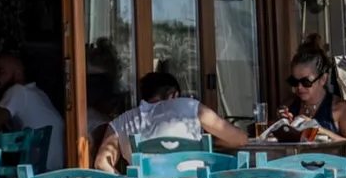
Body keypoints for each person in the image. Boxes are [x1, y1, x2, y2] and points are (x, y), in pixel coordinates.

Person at [94, 69, 251, 170]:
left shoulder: (122, 121)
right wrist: (212, 141)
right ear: (174, 95)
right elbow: (240, 139)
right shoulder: (190, 106)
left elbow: (101, 164)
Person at [281, 43, 346, 154]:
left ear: (323, 79)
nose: (299, 87)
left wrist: (320, 130)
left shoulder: (340, 108)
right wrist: (280, 124)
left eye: (306, 82)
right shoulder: (290, 105)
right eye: (294, 82)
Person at [0, 51, 65, 171]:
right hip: (53, 167)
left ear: (18, 74)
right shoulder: (37, 93)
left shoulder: (17, 91)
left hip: (38, 170)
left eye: (1, 71)